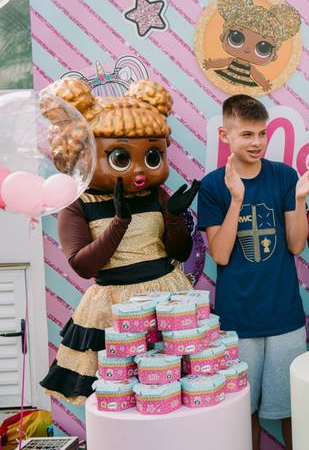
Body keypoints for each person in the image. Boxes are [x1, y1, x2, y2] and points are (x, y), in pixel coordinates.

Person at [39, 78, 198, 404]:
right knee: (120, 394)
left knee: (171, 387)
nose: (139, 171)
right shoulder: (78, 203)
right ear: (82, 154)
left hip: (167, 298)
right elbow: (83, 266)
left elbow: (179, 252)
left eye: (152, 156)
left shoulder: (155, 194)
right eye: (121, 159)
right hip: (114, 310)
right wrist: (119, 223)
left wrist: (174, 217)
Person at [197, 95, 309, 450]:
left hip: (284, 316)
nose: (257, 143)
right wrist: (236, 199)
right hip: (238, 320)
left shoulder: (284, 176)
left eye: (262, 134)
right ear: (225, 136)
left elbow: (296, 245)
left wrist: (299, 199)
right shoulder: (213, 186)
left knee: (292, 410)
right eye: (247, 134)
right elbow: (221, 254)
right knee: (241, 412)